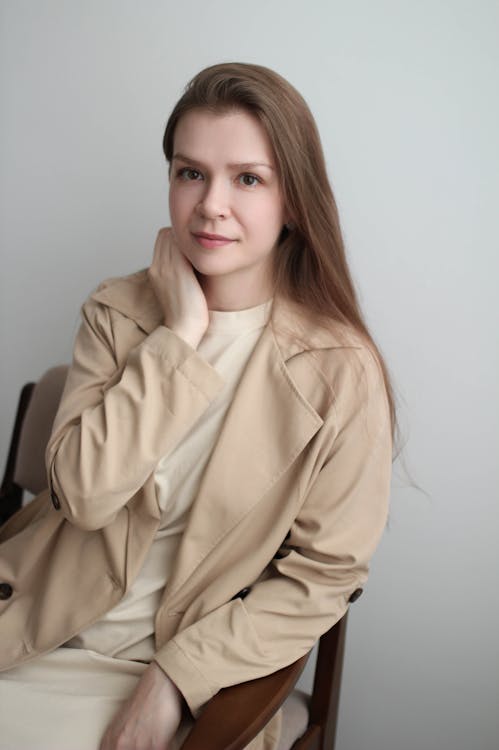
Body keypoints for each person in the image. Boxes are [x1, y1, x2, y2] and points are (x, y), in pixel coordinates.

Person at [0, 62, 394, 749]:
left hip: (193, 677)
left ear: (292, 200)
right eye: (190, 173)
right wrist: (179, 336)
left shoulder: (341, 372)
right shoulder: (118, 313)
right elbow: (86, 496)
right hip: (37, 633)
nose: (211, 203)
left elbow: (323, 576)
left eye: (248, 178)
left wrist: (174, 678)